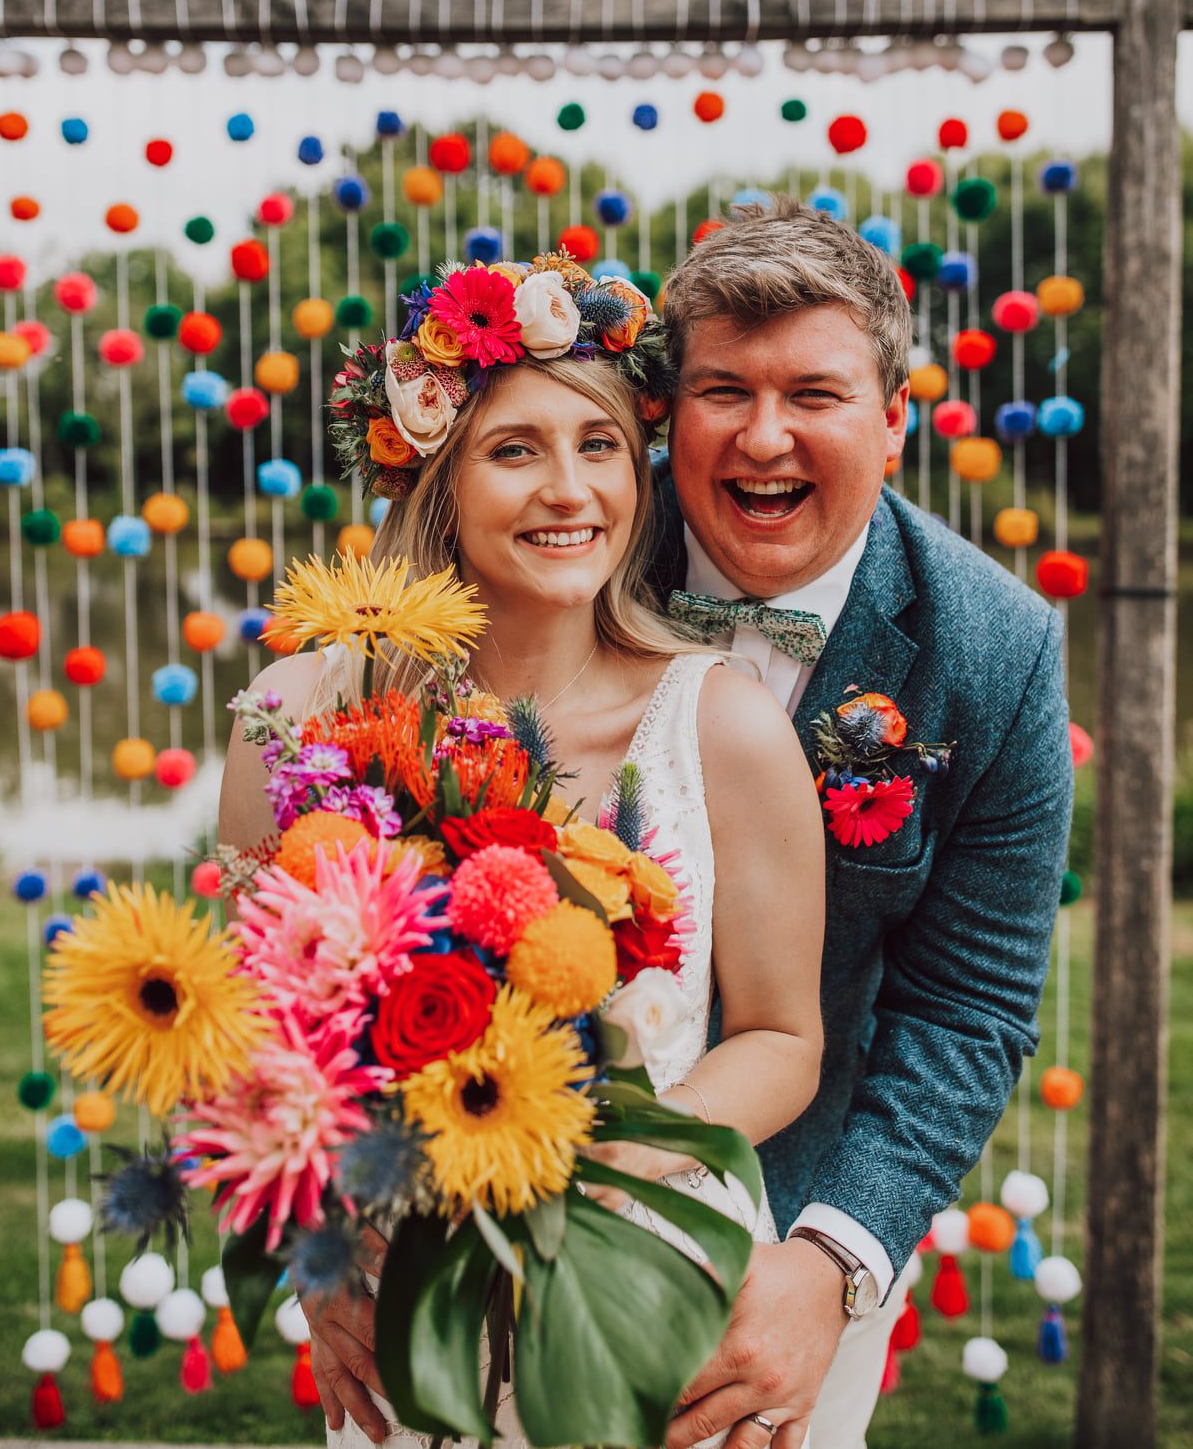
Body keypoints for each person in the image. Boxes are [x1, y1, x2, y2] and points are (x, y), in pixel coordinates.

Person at [218, 264, 826, 1449]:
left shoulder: (725, 725)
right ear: (433, 478)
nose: (569, 490)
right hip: (404, 1301)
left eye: (600, 445)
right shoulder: (292, 717)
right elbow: (247, 1036)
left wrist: (601, 1157)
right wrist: (317, 1243)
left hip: (653, 1283)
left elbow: (781, 1038)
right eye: (514, 451)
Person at [644, 200, 1073, 1449]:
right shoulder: (559, 561)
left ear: (893, 421)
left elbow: (969, 1006)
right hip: (494, 1206)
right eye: (721, 388)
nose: (762, 436)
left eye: (814, 395)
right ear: (667, 411)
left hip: (793, 1233)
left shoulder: (993, 650)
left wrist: (836, 1257)